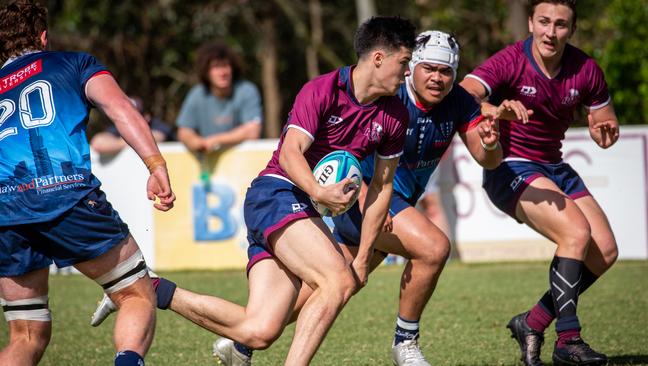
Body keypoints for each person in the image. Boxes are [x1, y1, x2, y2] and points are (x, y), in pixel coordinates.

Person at [91, 15, 416, 366]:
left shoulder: (395, 115)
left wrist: (365, 256)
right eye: (404, 62)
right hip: (277, 194)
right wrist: (318, 193)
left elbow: (382, 186)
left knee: (257, 331)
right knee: (336, 281)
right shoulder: (323, 90)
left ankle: (147, 288)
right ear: (378, 58)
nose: (408, 72)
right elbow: (291, 154)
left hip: (302, 211)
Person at [213, 30, 528, 366]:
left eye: (446, 71)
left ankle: (242, 343)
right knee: (434, 248)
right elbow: (360, 165)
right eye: (427, 68)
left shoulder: (461, 102)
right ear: (412, 66)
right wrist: (353, 198)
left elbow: (487, 159)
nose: (437, 78)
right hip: (365, 194)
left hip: (395, 201)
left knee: (339, 284)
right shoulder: (391, 96)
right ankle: (405, 343)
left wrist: (492, 142)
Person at [0, 1, 175, 366]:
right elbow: (121, 109)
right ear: (43, 36)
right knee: (136, 294)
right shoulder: (73, 63)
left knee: (26, 333)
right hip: (65, 196)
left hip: (6, 211)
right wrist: (155, 163)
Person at [459, 1, 620, 365]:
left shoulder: (586, 69)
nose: (551, 32)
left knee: (605, 251)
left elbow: (605, 119)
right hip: (510, 166)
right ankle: (568, 341)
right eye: (544, 22)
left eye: (561, 25)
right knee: (576, 233)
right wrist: (492, 109)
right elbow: (465, 93)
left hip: (554, 165)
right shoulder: (509, 61)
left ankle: (531, 323)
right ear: (531, 22)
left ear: (571, 29)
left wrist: (604, 131)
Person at [176, 41, 262, 154]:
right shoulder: (197, 94)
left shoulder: (247, 91)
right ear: (206, 72)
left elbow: (253, 131)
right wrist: (196, 142)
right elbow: (183, 131)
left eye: (225, 66)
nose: (222, 72)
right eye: (216, 67)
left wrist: (216, 140)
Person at [90, 96, 176, 155]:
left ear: (146, 117)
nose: (128, 120)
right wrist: (127, 143)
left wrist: (119, 143)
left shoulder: (157, 125)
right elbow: (98, 143)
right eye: (125, 115)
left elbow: (156, 137)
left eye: (134, 116)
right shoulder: (120, 127)